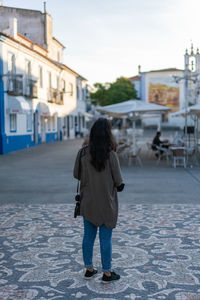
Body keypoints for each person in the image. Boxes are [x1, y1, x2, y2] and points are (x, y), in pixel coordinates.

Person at [73, 118, 125, 283]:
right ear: (108, 134)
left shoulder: (82, 153)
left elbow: (76, 175)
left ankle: (89, 269)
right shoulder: (111, 154)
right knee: (105, 239)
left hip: (88, 202)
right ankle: (107, 273)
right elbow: (119, 182)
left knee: (88, 236)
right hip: (106, 204)